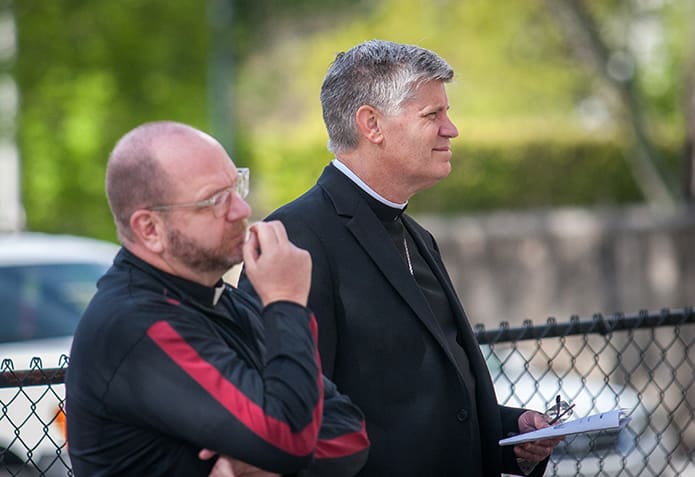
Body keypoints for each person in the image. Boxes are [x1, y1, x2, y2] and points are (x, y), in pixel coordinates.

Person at [239, 40, 561, 476]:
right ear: (372, 124)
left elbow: (421, 400)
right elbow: (292, 416)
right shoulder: (294, 238)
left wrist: (512, 433)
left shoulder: (418, 236)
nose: (452, 130)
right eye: (433, 115)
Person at [65, 121, 369, 477]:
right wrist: (287, 302)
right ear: (150, 229)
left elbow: (350, 433)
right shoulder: (137, 324)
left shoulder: (224, 299)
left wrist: (252, 461)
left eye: (237, 186)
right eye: (214, 200)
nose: (241, 209)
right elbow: (290, 437)